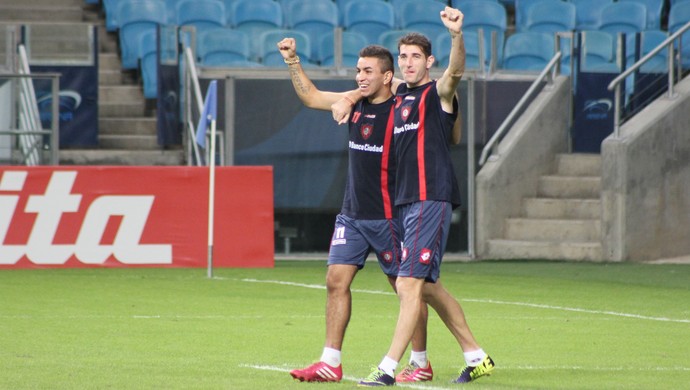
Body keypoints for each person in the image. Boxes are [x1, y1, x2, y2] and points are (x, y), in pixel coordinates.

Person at [332, 6, 495, 387]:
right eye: (403, 56)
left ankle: (388, 368)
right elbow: (369, 87)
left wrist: (456, 35)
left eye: (415, 57)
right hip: (405, 203)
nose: (407, 62)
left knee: (407, 285)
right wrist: (350, 97)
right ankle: (477, 356)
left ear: (429, 62)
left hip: (429, 196)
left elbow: (455, 74)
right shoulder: (399, 95)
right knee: (430, 287)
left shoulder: (436, 92)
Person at [277, 39, 434, 384]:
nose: (360, 77)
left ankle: (419, 362)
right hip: (352, 213)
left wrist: (357, 93)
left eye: (367, 72)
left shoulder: (402, 108)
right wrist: (292, 61)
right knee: (336, 280)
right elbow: (311, 96)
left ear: (387, 76)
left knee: (406, 290)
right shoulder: (354, 105)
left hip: (390, 215)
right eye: (357, 71)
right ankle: (330, 361)